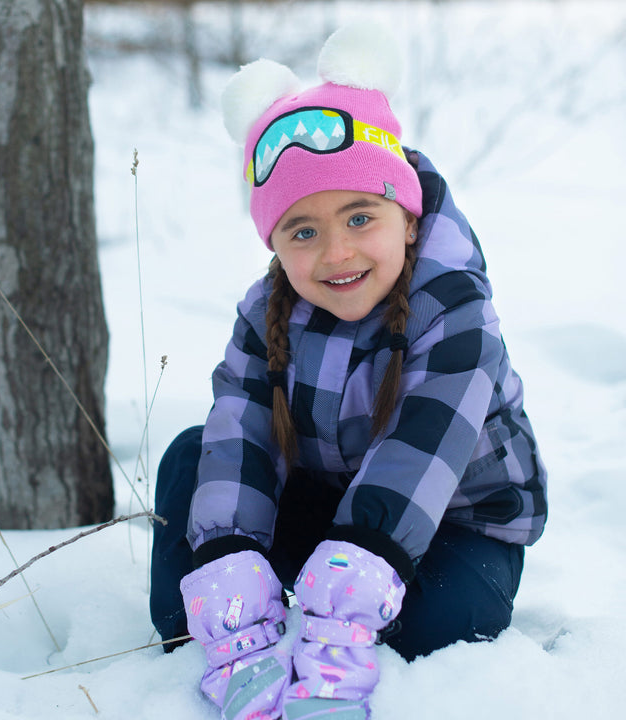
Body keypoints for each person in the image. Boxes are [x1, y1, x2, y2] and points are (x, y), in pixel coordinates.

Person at [150, 22, 547, 720]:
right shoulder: (264, 313)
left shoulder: (453, 311)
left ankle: (343, 612)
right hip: (334, 500)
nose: (336, 252)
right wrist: (232, 569)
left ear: (408, 218)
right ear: (275, 243)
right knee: (196, 459)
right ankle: (242, 629)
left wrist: (354, 574)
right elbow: (241, 430)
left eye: (360, 217)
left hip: (458, 519)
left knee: (426, 635)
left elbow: (422, 449)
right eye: (303, 231)